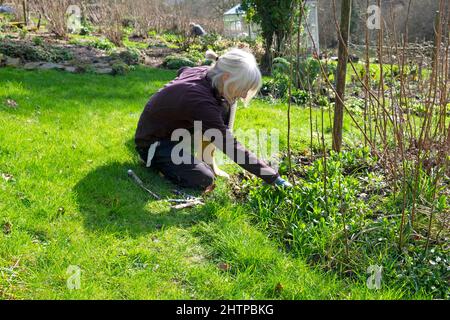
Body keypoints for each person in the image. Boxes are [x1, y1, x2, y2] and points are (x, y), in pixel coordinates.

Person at [134, 48, 291, 190]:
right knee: (204, 179)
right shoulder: (200, 102)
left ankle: (206, 159)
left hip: (168, 130)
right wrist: (274, 178)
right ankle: (157, 163)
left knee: (226, 104)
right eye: (243, 88)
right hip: (153, 143)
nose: (244, 95)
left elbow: (183, 70)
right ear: (226, 77)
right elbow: (230, 146)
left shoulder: (205, 73)